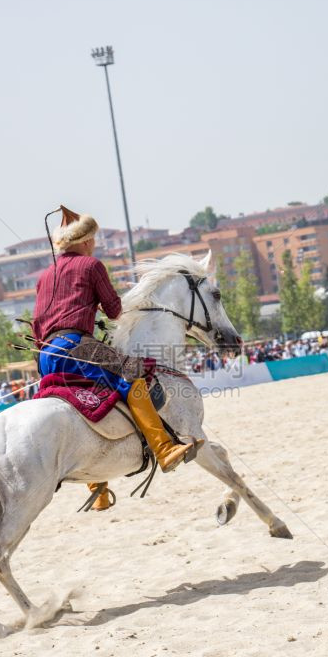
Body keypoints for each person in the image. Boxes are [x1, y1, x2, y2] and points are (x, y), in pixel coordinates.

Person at [33, 206, 201, 510]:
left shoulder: (45, 276)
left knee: (84, 398)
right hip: (77, 346)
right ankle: (163, 448)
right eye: (93, 239)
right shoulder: (91, 265)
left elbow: (37, 325)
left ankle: (97, 482)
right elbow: (114, 310)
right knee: (134, 372)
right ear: (85, 241)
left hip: (45, 354)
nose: (94, 245)